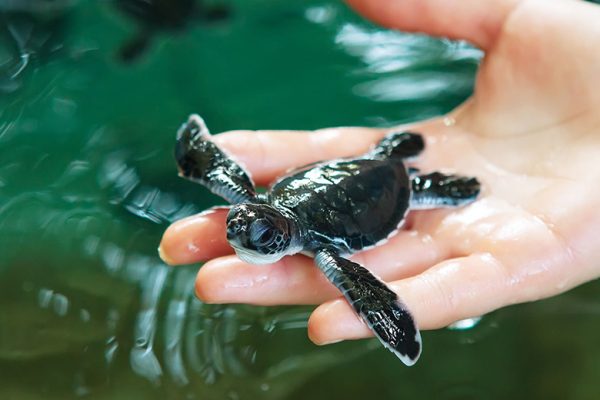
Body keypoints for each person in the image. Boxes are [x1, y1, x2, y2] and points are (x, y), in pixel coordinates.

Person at [159, 0, 600, 347]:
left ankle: (421, 180)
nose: (239, 230)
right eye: (242, 226)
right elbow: (238, 199)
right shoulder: (254, 209)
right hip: (347, 177)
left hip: (378, 185)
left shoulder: (327, 254)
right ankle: (398, 162)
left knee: (439, 192)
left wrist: (388, 316)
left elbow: (365, 289)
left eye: (248, 230)